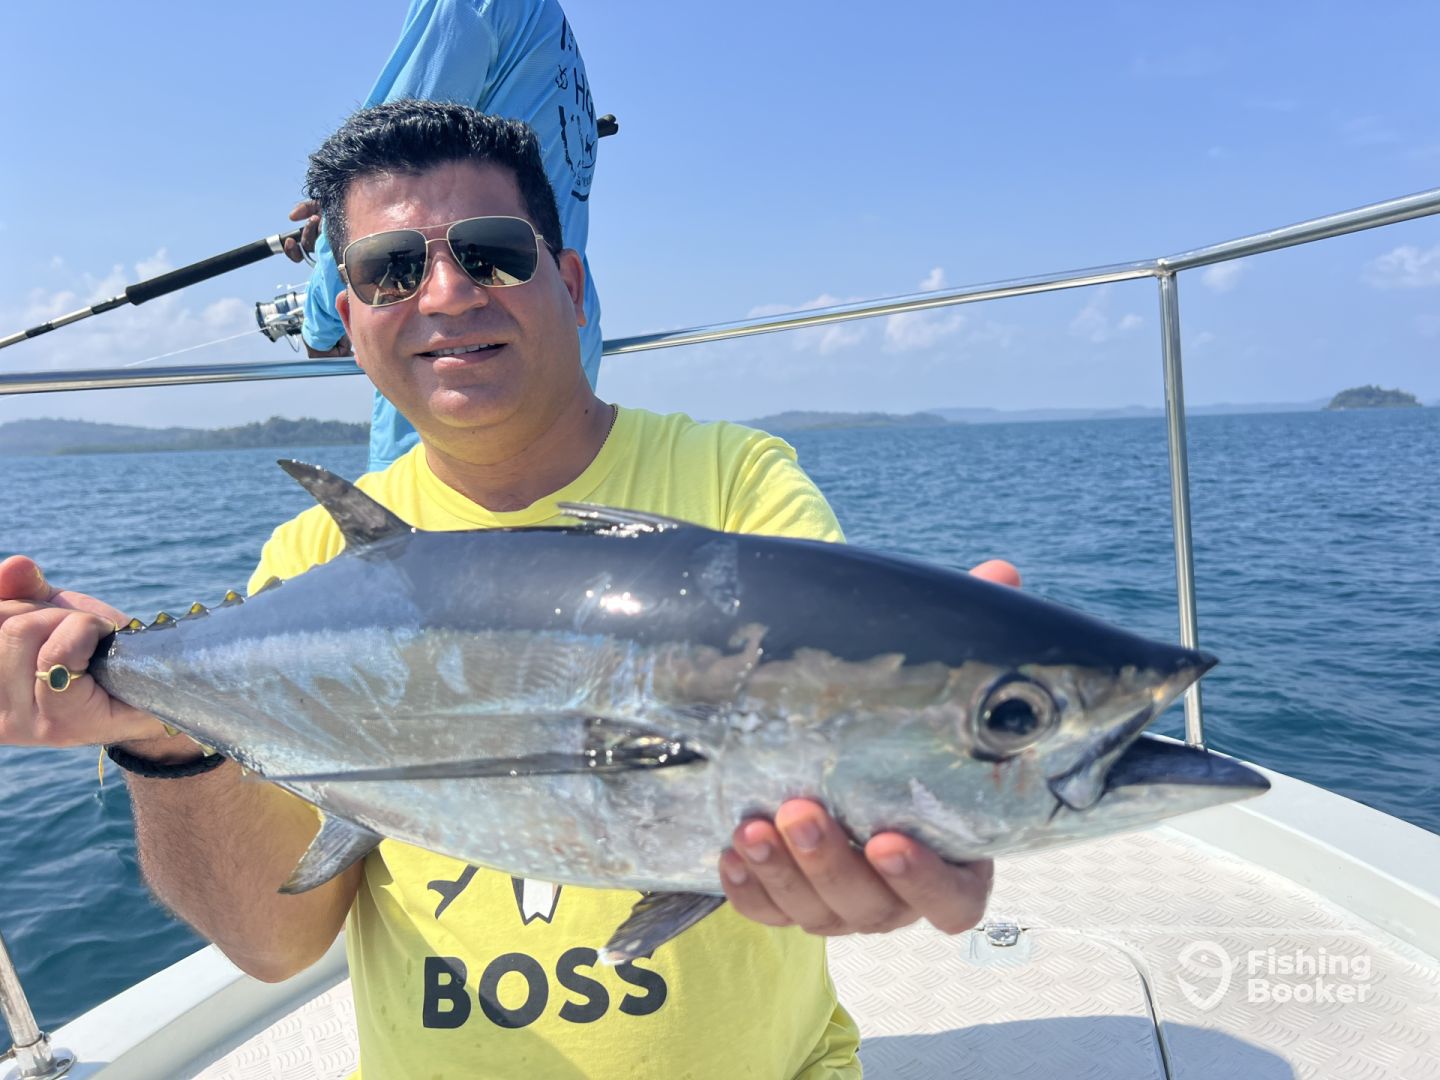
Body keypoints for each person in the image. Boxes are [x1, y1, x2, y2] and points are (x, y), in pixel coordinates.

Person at [0, 102, 1009, 1078]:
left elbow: (850, 698)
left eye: (492, 253)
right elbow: (276, 945)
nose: (446, 295)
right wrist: (154, 732)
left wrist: (947, 741)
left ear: (568, 282)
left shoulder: (736, 489)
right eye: (392, 270)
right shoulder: (311, 561)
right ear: (350, 317)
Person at [286, 0, 605, 474]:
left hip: (451, 360)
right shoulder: (552, 31)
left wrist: (322, 325)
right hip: (562, 346)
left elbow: (379, 177)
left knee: (424, 517)